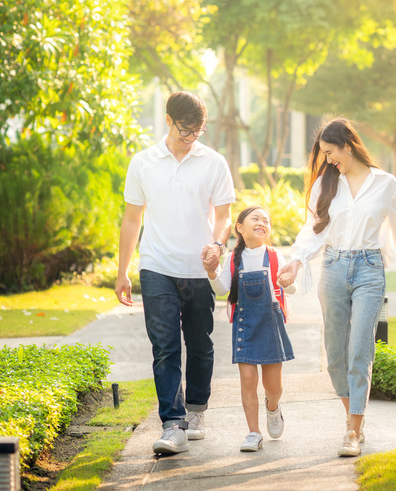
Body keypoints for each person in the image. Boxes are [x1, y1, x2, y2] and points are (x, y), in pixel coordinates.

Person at [277, 117, 396, 458]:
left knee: (360, 350)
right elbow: (313, 228)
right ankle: (352, 418)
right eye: (324, 154)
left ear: (348, 145)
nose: (328, 160)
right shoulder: (326, 186)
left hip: (370, 269)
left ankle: (353, 431)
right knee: (336, 357)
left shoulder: (385, 184)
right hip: (333, 267)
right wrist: (296, 260)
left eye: (331, 152)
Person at [115, 91, 235, 456]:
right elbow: (132, 218)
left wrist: (217, 245)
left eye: (197, 131)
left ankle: (197, 411)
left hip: (199, 269)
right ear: (168, 121)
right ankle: (173, 424)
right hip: (156, 266)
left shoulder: (214, 162)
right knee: (165, 347)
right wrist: (122, 271)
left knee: (199, 344)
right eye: (185, 131)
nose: (191, 138)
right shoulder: (143, 162)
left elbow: (225, 215)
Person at [204, 205, 294, 453]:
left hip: (271, 326)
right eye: (256, 218)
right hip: (244, 325)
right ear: (240, 228)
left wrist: (288, 281)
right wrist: (211, 271)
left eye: (267, 220)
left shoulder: (275, 256)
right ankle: (253, 432)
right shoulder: (233, 258)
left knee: (273, 387)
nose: (262, 223)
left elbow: (289, 287)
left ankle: (273, 408)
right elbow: (222, 289)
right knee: (247, 380)